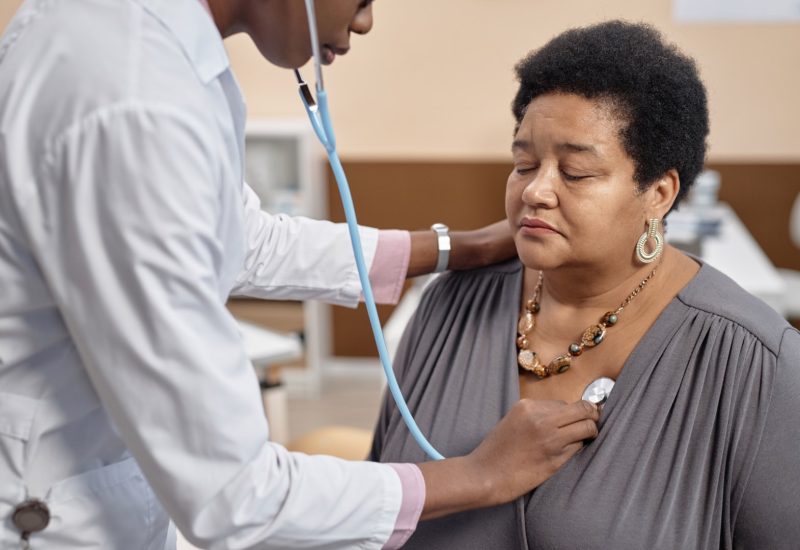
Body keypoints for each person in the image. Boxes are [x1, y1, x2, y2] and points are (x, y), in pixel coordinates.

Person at [0, 0, 604, 548]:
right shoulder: (132, 98)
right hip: (51, 511)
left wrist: (453, 248)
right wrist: (478, 475)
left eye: (575, 173)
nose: (366, 21)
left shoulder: (157, 53)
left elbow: (242, 239)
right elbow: (233, 494)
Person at [370, 20, 800, 549]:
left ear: (659, 193)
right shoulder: (448, 307)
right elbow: (378, 505)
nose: (537, 190)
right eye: (524, 163)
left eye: (575, 173)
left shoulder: (754, 362)